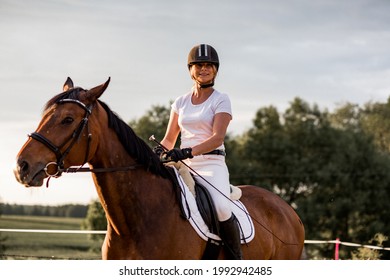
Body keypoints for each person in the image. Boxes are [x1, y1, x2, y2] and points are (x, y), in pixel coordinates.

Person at [158, 44, 242, 259]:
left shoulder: (221, 99)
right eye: (198, 65)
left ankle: (235, 258)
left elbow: (217, 138)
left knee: (222, 207)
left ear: (215, 70)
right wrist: (158, 153)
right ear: (190, 70)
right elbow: (169, 139)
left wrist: (186, 152)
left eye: (208, 65)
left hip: (211, 164)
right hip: (184, 165)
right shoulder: (180, 102)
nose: (204, 69)